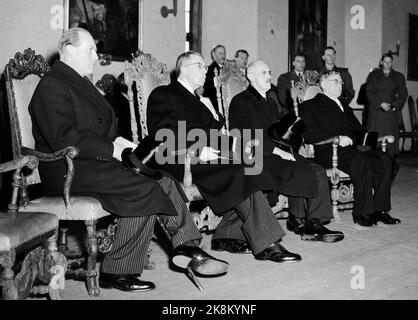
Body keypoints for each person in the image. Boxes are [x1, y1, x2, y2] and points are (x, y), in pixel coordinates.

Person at [28, 28, 228, 293]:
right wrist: (113, 148)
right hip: (67, 170)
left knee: (163, 177)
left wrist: (121, 143)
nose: (96, 56)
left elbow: (100, 128)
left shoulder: (80, 82)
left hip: (92, 161)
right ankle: (117, 270)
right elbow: (64, 137)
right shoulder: (53, 84)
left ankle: (188, 246)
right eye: (91, 49)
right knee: (144, 186)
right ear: (68, 49)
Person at [147, 51, 302, 263]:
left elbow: (217, 136)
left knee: (252, 162)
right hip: (182, 159)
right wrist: (199, 149)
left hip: (210, 157)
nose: (205, 70)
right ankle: (267, 243)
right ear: (183, 68)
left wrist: (240, 143)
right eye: (200, 65)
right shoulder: (164, 94)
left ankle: (229, 234)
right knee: (240, 169)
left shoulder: (201, 101)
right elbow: (163, 134)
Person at [229, 60, 344, 243]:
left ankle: (312, 222)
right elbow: (245, 136)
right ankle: (297, 219)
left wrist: (289, 147)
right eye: (264, 73)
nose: (269, 76)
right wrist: (278, 151)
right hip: (256, 155)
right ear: (251, 77)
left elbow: (279, 134)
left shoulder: (271, 103)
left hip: (276, 151)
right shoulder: (240, 101)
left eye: (269, 72)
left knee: (317, 170)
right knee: (297, 168)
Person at [299, 71, 401, 227]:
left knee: (386, 160)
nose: (340, 84)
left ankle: (379, 209)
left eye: (341, 82)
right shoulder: (310, 105)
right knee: (362, 161)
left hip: (351, 150)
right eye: (336, 81)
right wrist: (337, 138)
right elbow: (308, 133)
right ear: (323, 84)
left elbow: (359, 131)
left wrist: (372, 139)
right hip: (328, 150)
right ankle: (362, 212)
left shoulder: (345, 107)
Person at [365, 53, 408, 156]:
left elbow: (403, 94)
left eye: (389, 62)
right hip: (376, 112)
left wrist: (393, 105)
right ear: (381, 62)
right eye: (385, 62)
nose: (387, 64)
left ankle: (389, 162)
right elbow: (369, 92)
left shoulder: (398, 76)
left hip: (390, 113)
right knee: (374, 142)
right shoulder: (373, 76)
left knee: (390, 142)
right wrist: (380, 103)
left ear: (391, 63)